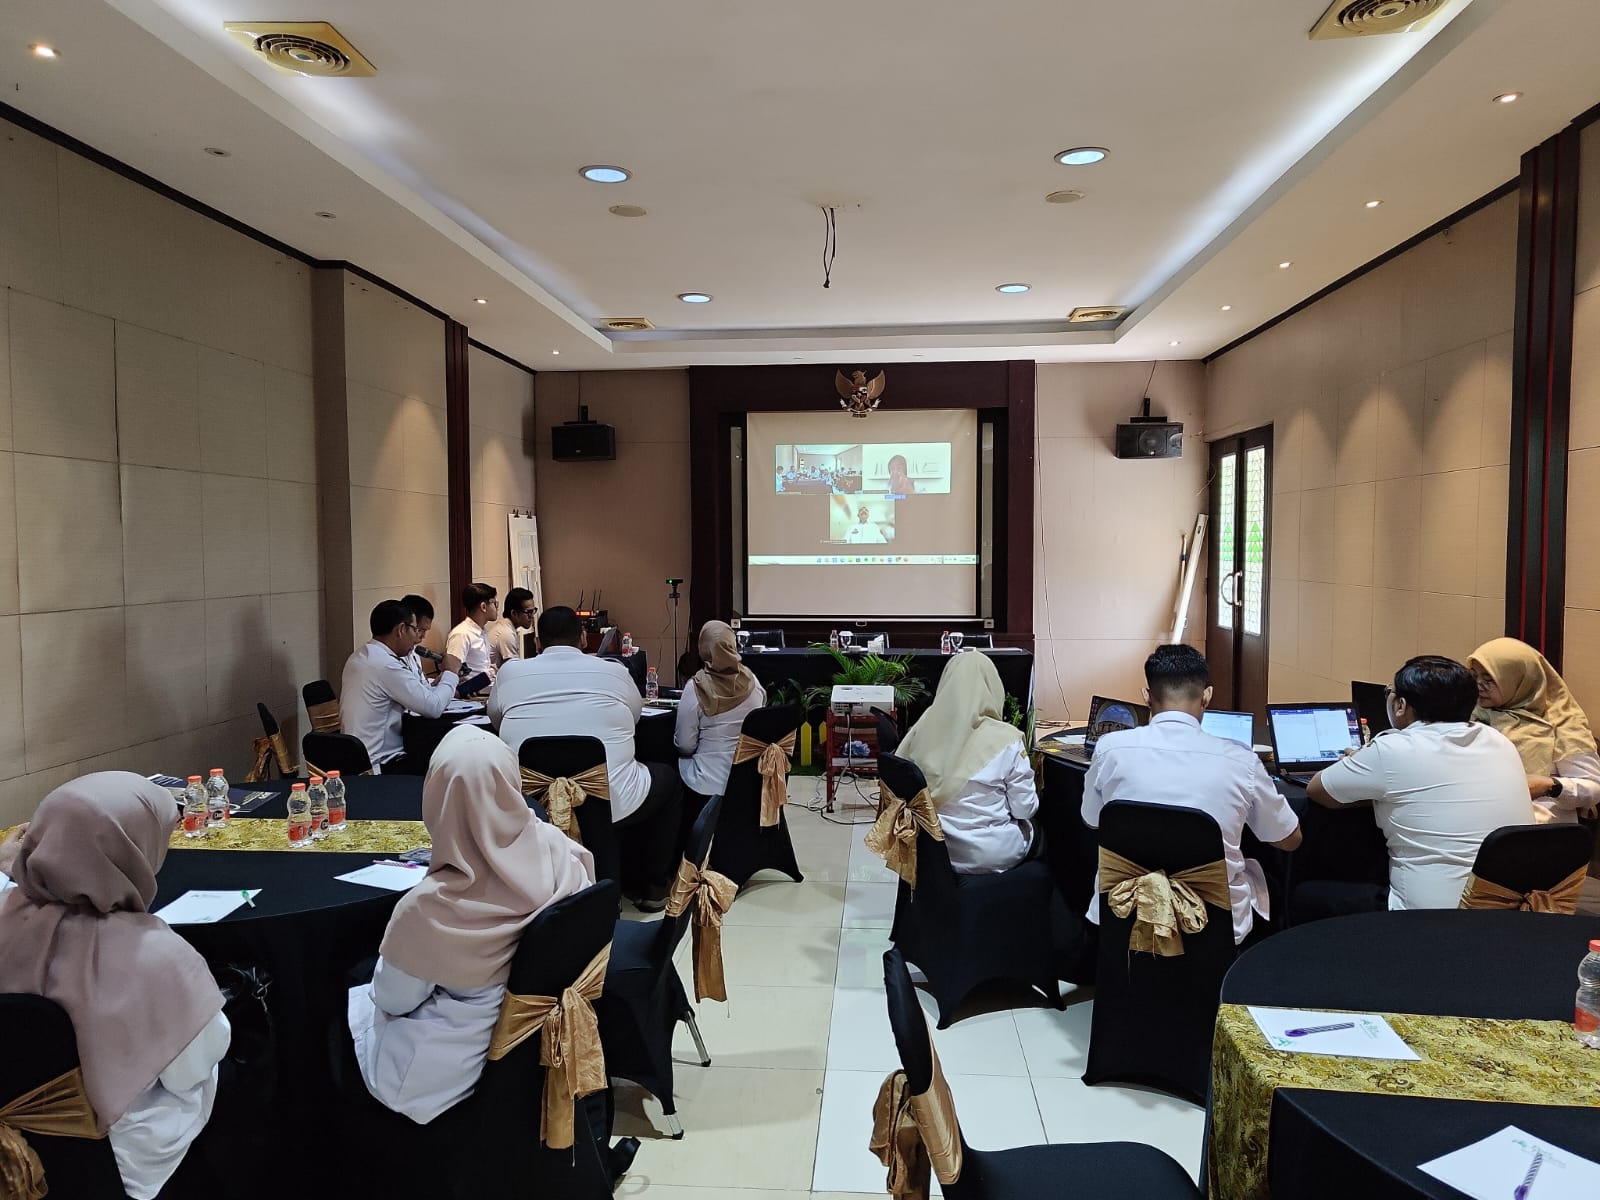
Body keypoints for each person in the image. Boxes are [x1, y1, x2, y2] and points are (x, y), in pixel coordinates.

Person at [0, 775, 231, 1199]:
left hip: (19, 1138)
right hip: (113, 1154)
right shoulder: (159, 956)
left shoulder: (4, 916)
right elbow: (190, 1072)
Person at [348, 727, 594, 1123]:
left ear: (435, 796)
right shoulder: (561, 850)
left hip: (453, 1066)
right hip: (544, 1046)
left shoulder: (430, 910)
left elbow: (393, 1000)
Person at [1083, 644, 1302, 944]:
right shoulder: (1242, 762)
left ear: (1146, 696)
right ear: (1207, 696)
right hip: (1213, 922)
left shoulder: (1109, 749)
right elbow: (1289, 839)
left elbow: (1093, 820)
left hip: (1126, 915)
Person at [488, 606, 685, 910]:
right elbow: (634, 717)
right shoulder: (614, 671)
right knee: (668, 781)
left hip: (532, 803)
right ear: (583, 638)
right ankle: (654, 886)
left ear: (537, 642)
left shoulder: (510, 673)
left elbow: (497, 720)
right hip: (612, 800)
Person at [1303, 655, 1535, 912]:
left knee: (1307, 894)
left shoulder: (1393, 748)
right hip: (1510, 908)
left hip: (1427, 914)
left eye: (1389, 693)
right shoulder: (1499, 741)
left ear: (1401, 705)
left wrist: (1366, 768)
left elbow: (1318, 790)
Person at [896, 649, 1038, 874]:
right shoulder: (1007, 740)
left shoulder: (921, 731)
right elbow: (1024, 809)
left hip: (933, 851)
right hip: (995, 853)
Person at [1468, 636, 1600, 822]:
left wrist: (1551, 786)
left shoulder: (1562, 721)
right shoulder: (1471, 714)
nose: (1479, 686)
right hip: (1479, 818)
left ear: (1518, 680)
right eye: (1474, 676)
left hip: (1538, 825)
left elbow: (1594, 788)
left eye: (1489, 679)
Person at [342, 599, 462, 772]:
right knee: (448, 761)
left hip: (356, 757)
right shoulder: (385, 665)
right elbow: (433, 707)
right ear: (400, 630)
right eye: (415, 629)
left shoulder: (361, 655)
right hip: (382, 763)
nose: (416, 638)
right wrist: (451, 672)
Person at [675, 621, 767, 813]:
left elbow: (685, 745)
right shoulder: (754, 683)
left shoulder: (695, 687)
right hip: (750, 782)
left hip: (707, 784)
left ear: (703, 649)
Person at [446, 582, 500, 682]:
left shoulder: (482, 631)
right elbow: (452, 671)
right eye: (494, 603)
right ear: (483, 607)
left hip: (487, 684)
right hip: (472, 690)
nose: (497, 608)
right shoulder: (462, 634)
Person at [487, 587, 537, 667]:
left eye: (533, 611)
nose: (532, 616)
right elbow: (513, 669)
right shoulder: (506, 633)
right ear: (514, 613)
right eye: (528, 612)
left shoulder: (506, 627)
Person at [400, 593, 440, 680]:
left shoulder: (414, 650)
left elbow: (420, 683)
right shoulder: (394, 658)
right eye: (420, 630)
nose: (423, 636)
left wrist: (440, 680)